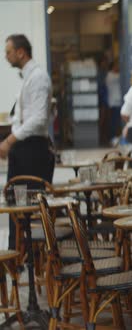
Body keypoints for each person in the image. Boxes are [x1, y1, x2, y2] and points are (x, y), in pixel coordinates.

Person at [2, 34, 55, 249]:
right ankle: (19, 255)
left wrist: (9, 139)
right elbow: (24, 117)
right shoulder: (28, 77)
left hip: (33, 152)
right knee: (16, 204)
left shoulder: (38, 78)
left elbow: (39, 119)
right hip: (24, 150)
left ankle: (29, 255)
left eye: (8, 52)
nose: (6, 57)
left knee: (26, 206)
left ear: (21, 52)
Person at [106, 61, 122, 141]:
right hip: (114, 102)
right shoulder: (111, 76)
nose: (118, 67)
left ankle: (115, 138)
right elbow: (122, 76)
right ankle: (113, 138)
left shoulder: (114, 75)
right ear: (113, 67)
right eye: (117, 65)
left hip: (116, 102)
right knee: (114, 121)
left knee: (116, 121)